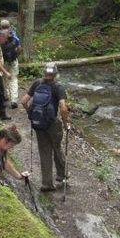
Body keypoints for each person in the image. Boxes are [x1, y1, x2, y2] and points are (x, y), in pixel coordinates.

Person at [21, 62, 70, 192]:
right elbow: (63, 108)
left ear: (44, 72)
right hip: (52, 123)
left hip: (38, 123)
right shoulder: (58, 87)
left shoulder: (37, 83)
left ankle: (47, 183)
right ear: (55, 74)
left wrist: (30, 115)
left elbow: (24, 101)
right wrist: (65, 124)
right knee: (57, 147)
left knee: (44, 151)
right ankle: (61, 175)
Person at [0, 19, 22, 109]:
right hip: (13, 60)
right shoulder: (14, 35)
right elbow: (20, 48)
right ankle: (14, 100)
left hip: (3, 61)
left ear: (1, 26)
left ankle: (6, 95)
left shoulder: (0, 35)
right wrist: (16, 55)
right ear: (9, 26)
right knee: (13, 79)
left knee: (4, 78)